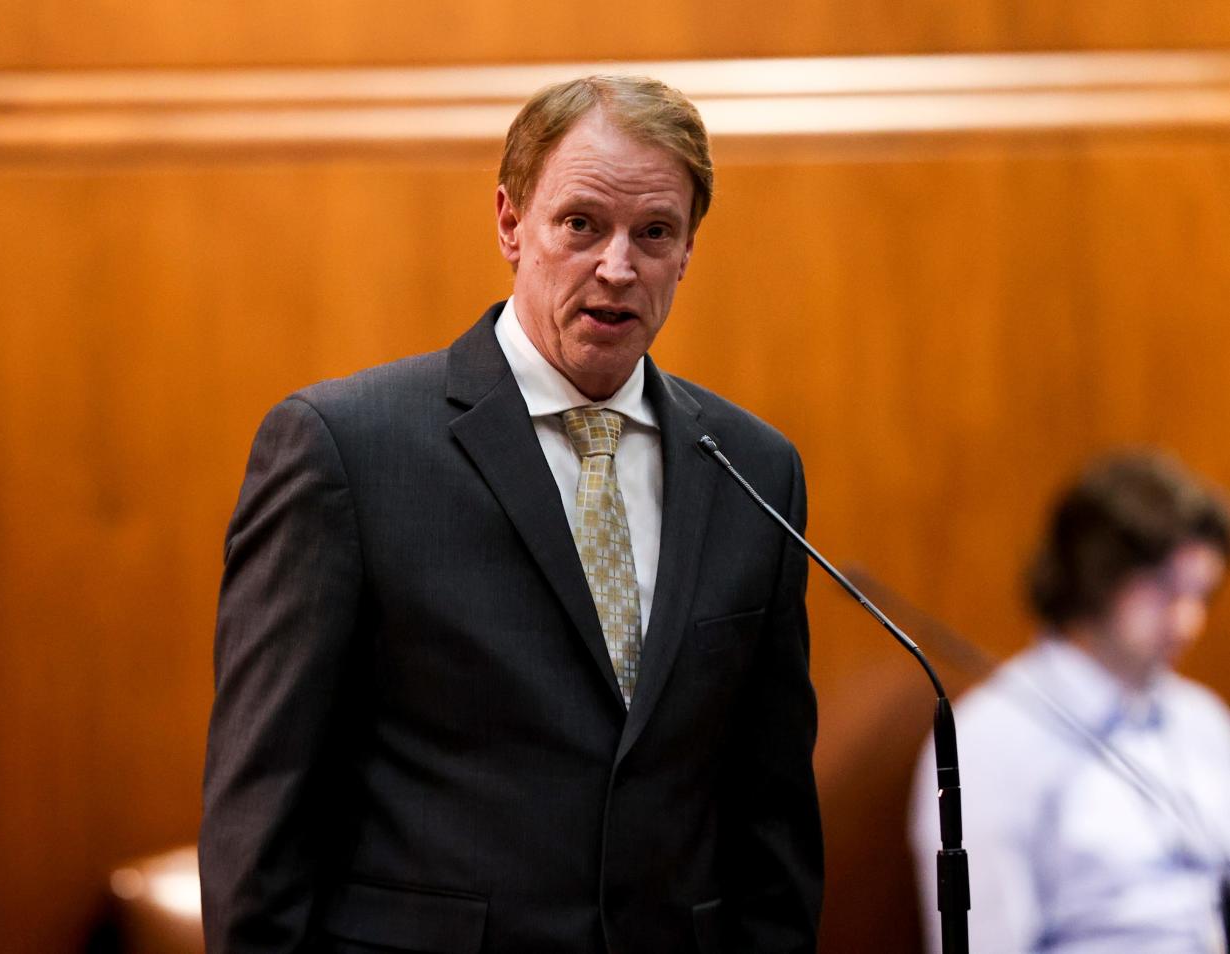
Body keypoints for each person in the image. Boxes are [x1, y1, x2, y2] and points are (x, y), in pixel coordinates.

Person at [199, 75, 823, 954]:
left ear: (687, 250)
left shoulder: (753, 468)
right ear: (509, 222)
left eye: (653, 233)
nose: (617, 266)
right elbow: (263, 811)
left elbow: (771, 816)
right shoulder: (347, 450)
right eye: (581, 224)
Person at [909, 451, 1230, 953]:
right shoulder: (990, 740)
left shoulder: (1202, 719)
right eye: (1165, 591)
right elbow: (986, 944)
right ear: (1095, 575)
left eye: (1202, 594)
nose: (1189, 622)